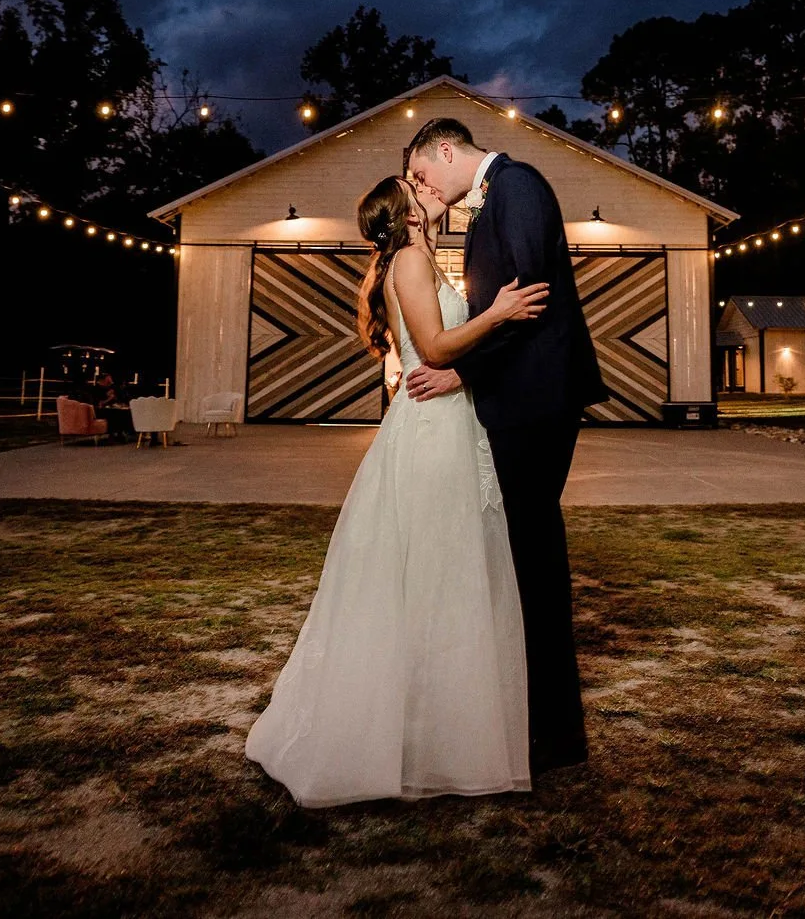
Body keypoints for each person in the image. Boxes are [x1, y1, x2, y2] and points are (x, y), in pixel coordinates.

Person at [245, 176, 551, 807]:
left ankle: (432, 733)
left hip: (448, 422)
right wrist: (497, 314)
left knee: (437, 576)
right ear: (406, 215)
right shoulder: (411, 261)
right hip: (432, 432)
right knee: (437, 571)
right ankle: (414, 740)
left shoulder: (419, 258)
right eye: (416, 187)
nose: (428, 188)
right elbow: (435, 347)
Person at [403, 117, 606, 776]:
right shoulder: (497, 197)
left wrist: (462, 371)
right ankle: (542, 724)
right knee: (527, 562)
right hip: (524, 399)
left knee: (537, 565)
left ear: (444, 149)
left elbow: (527, 302)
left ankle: (555, 737)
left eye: (420, 173)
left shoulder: (515, 187)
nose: (420, 186)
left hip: (535, 400)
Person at [89, 371, 133, 442]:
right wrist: (110, 398)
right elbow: (99, 404)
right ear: (102, 381)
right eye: (108, 381)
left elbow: (118, 399)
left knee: (124, 412)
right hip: (99, 411)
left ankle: (122, 432)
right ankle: (113, 434)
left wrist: (115, 399)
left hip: (111, 409)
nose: (110, 383)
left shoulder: (111, 388)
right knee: (114, 414)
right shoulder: (95, 390)